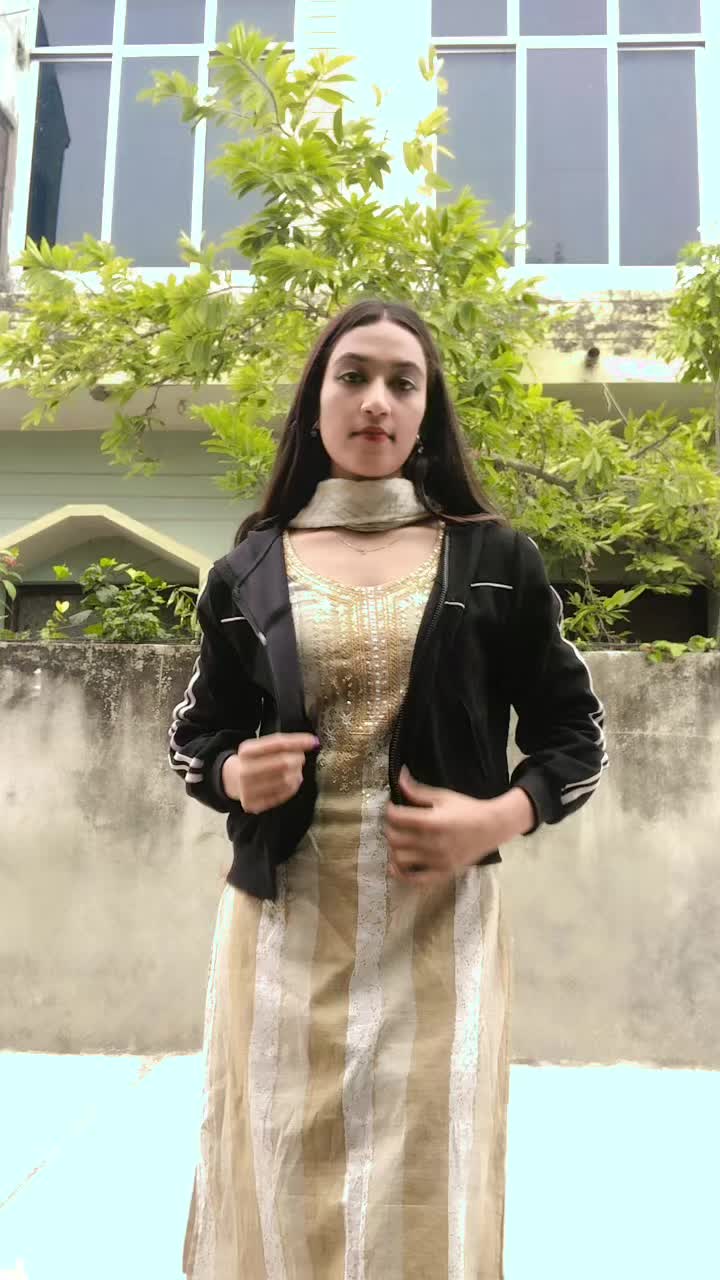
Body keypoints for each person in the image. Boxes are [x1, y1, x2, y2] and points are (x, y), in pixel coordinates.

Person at [169, 299, 608, 1279]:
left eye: (402, 382)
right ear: (316, 403)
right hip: (283, 934)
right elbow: (196, 736)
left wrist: (499, 815)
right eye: (354, 376)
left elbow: (576, 735)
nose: (377, 400)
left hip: (439, 938)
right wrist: (235, 771)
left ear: (426, 413)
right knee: (284, 1177)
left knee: (426, 1189)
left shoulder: (496, 561)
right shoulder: (246, 571)